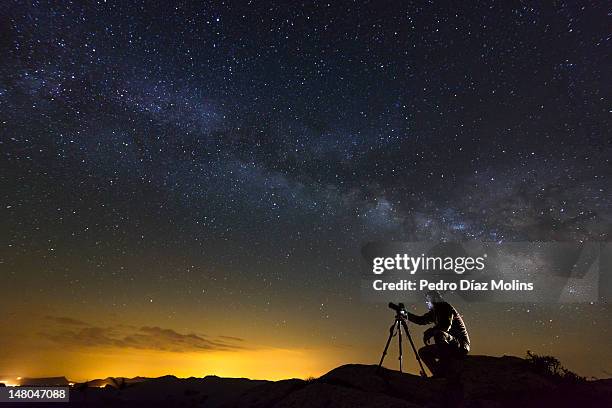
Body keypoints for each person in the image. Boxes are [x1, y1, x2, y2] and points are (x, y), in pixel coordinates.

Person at [406, 290, 470, 378]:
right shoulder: (435, 312)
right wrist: (405, 314)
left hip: (460, 344)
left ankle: (444, 369)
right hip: (449, 343)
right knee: (423, 352)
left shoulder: (445, 307)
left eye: (428, 300)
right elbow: (420, 320)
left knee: (439, 334)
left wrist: (430, 331)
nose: (427, 302)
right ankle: (439, 374)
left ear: (435, 299)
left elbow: (445, 326)